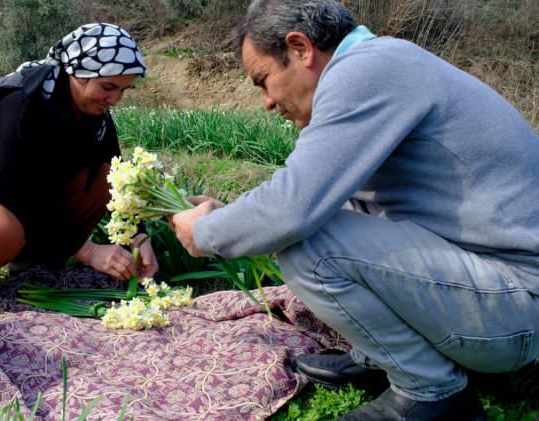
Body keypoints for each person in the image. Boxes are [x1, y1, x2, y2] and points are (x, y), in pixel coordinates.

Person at [169, 0, 539, 419]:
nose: (266, 101)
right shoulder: (380, 63)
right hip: (503, 296)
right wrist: (229, 215)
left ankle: (432, 392)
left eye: (263, 79)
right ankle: (384, 356)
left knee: (308, 244)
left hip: (516, 310)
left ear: (300, 48)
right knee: (332, 216)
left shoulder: (369, 71)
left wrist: (205, 233)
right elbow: (323, 195)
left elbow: (293, 210)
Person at [0, 23, 158, 292]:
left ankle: (33, 264)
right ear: (79, 74)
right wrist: (88, 251)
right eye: (108, 87)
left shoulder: (94, 115)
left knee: (106, 177)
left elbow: (119, 178)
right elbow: (20, 189)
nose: (115, 100)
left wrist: (138, 239)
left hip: (5, 192)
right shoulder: (23, 99)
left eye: (123, 90)